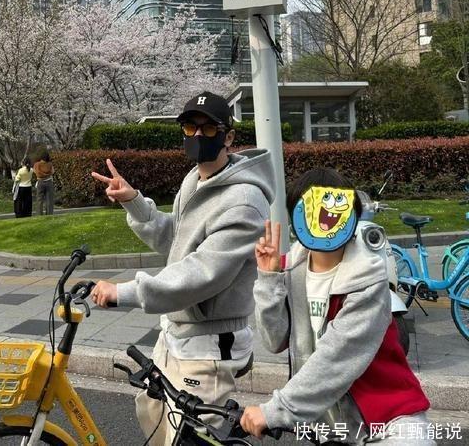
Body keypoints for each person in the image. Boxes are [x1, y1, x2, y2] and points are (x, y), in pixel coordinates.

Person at [90, 91, 275, 446]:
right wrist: (134, 202)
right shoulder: (195, 180)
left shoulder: (245, 201)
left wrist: (124, 292)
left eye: (209, 129)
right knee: (155, 417)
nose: (198, 135)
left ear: (229, 137)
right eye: (190, 127)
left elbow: (202, 272)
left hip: (209, 345)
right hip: (177, 334)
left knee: (194, 438)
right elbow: (178, 241)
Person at [241, 168, 433, 446]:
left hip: (389, 422)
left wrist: (276, 410)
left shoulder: (367, 281)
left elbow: (338, 356)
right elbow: (274, 341)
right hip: (332, 428)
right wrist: (269, 279)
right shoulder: (292, 269)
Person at [33, 152, 55, 216]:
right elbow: (52, 172)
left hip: (40, 182)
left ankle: (39, 214)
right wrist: (47, 174)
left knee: (39, 199)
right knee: (49, 200)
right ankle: (49, 214)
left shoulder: (37, 164)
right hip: (49, 182)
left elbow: (35, 171)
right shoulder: (50, 164)